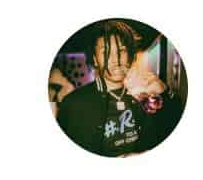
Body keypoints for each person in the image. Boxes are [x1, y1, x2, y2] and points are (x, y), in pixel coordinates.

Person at [55, 21, 184, 156]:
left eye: (122, 50)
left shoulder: (144, 92)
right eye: (106, 52)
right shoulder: (73, 104)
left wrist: (164, 91)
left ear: (130, 54)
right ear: (94, 59)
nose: (115, 59)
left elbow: (171, 125)